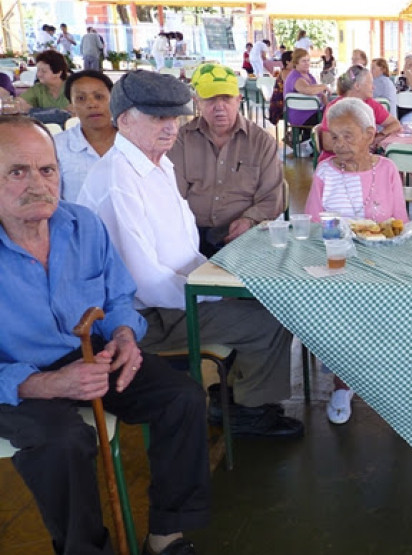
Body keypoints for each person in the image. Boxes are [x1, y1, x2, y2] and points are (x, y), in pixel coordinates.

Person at [0, 114, 210, 555]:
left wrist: (125, 337)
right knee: (63, 441)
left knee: (182, 398)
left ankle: (166, 535)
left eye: (47, 169)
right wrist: (45, 384)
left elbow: (118, 298)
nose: (38, 184)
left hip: (90, 354)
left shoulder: (82, 225)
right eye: (17, 171)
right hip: (15, 378)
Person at [77, 70, 301, 438]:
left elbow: (184, 247)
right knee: (270, 320)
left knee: (269, 301)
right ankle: (248, 412)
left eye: (174, 117)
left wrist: (217, 276)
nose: (169, 127)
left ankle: (233, 395)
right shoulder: (118, 181)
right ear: (124, 120)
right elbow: (145, 282)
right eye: (157, 118)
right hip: (142, 319)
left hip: (176, 294)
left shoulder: (157, 164)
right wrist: (214, 289)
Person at [303, 98, 408, 425]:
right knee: (341, 309)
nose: (339, 144)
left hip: (382, 264)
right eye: (334, 137)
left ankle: (386, 379)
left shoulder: (388, 169)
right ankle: (342, 383)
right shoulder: (325, 170)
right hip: (338, 264)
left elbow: (400, 224)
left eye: (348, 136)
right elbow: (312, 222)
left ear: (369, 133)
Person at [169, 63, 284, 256]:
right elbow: (172, 195)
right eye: (211, 99)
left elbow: (272, 199)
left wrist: (249, 220)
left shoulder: (261, 142)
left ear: (238, 100)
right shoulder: (181, 140)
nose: (219, 107)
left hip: (245, 237)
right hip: (189, 234)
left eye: (226, 98)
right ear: (197, 102)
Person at [53, 70, 116, 201]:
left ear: (113, 99)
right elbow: (54, 202)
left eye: (99, 96)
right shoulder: (57, 147)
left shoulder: (133, 141)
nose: (92, 104)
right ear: (71, 106)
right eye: (81, 98)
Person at [316, 65, 400, 162]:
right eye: (370, 83)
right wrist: (361, 146)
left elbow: (395, 124)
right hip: (336, 161)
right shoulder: (335, 107)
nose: (373, 87)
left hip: (362, 161)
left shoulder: (371, 104)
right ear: (357, 86)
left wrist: (379, 136)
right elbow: (327, 144)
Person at [284, 48, 332, 139]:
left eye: (308, 60)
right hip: (301, 115)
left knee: (335, 115)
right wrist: (324, 87)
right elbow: (307, 90)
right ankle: (316, 147)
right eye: (303, 61)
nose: (307, 63)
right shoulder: (296, 77)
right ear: (296, 63)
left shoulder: (308, 75)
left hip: (312, 112)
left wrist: (328, 106)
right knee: (332, 121)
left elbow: (320, 93)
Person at [16, 50, 71, 119]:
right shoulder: (38, 89)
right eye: (38, 70)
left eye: (44, 71)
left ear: (58, 73)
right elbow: (18, 103)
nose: (39, 74)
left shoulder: (73, 88)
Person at [268, 49, 294, 125]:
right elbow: (292, 87)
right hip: (281, 105)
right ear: (287, 62)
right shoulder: (286, 72)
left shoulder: (290, 72)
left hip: (285, 103)